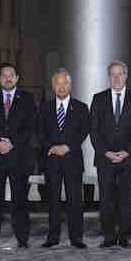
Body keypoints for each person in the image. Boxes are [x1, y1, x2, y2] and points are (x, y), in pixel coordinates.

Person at [89, 61, 131, 248]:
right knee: (106, 200)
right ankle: (108, 236)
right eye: (113, 74)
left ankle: (124, 237)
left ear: (126, 76)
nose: (116, 78)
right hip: (105, 158)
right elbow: (94, 130)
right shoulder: (98, 98)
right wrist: (105, 152)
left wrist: (127, 152)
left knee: (126, 200)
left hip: (128, 158)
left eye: (120, 74)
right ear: (109, 77)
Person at [0, 63, 37, 249]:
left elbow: (31, 126)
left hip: (19, 156)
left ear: (17, 78)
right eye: (4, 75)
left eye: (11, 75)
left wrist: (12, 142)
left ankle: (22, 239)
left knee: (20, 200)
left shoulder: (28, 98)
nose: (8, 78)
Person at [38, 68, 90, 249]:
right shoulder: (44, 108)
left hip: (72, 159)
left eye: (65, 83)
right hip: (51, 159)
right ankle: (53, 237)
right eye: (58, 83)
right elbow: (39, 132)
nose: (61, 87)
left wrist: (67, 147)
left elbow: (84, 131)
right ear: (53, 86)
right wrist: (52, 147)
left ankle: (77, 238)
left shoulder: (81, 107)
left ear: (70, 85)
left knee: (75, 201)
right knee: (52, 200)